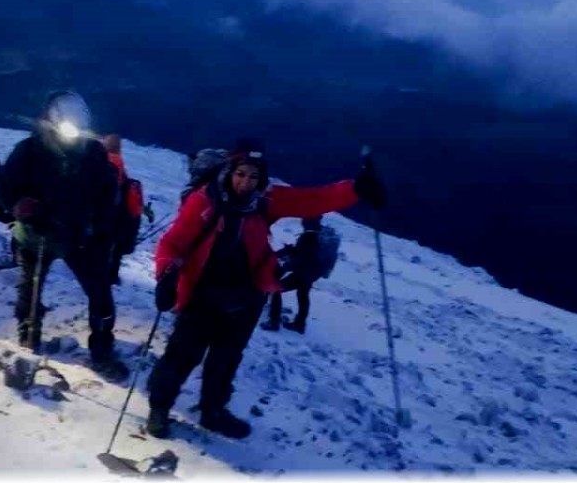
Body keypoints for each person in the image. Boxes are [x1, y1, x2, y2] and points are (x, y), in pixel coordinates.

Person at [145, 139, 386, 440]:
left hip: (245, 298)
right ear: (230, 172)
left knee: (226, 359)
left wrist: (356, 189)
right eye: (241, 174)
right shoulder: (204, 201)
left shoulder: (265, 200)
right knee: (182, 356)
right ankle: (159, 408)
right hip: (202, 296)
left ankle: (213, 411)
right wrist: (166, 274)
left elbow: (311, 199)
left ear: (262, 179)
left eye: (253, 177)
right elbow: (173, 243)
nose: (246, 183)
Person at [0, 90, 127, 381]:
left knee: (100, 294)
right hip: (37, 234)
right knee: (30, 289)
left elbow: (109, 194)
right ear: (52, 119)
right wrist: (18, 206)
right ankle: (28, 334)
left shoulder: (94, 154)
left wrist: (102, 226)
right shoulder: (28, 151)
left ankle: (102, 348)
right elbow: (6, 187)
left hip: (80, 237)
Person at [261, 216, 336, 334]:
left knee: (276, 289)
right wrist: (285, 252)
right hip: (313, 274)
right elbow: (300, 252)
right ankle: (300, 324)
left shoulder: (308, 237)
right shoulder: (316, 235)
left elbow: (301, 259)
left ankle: (274, 321)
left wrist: (284, 266)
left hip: (303, 273)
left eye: (305, 221)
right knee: (303, 295)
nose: (303, 222)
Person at [101, 133, 145, 286]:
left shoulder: (106, 159)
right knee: (116, 249)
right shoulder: (119, 162)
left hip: (108, 212)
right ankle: (112, 274)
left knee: (102, 244)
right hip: (121, 214)